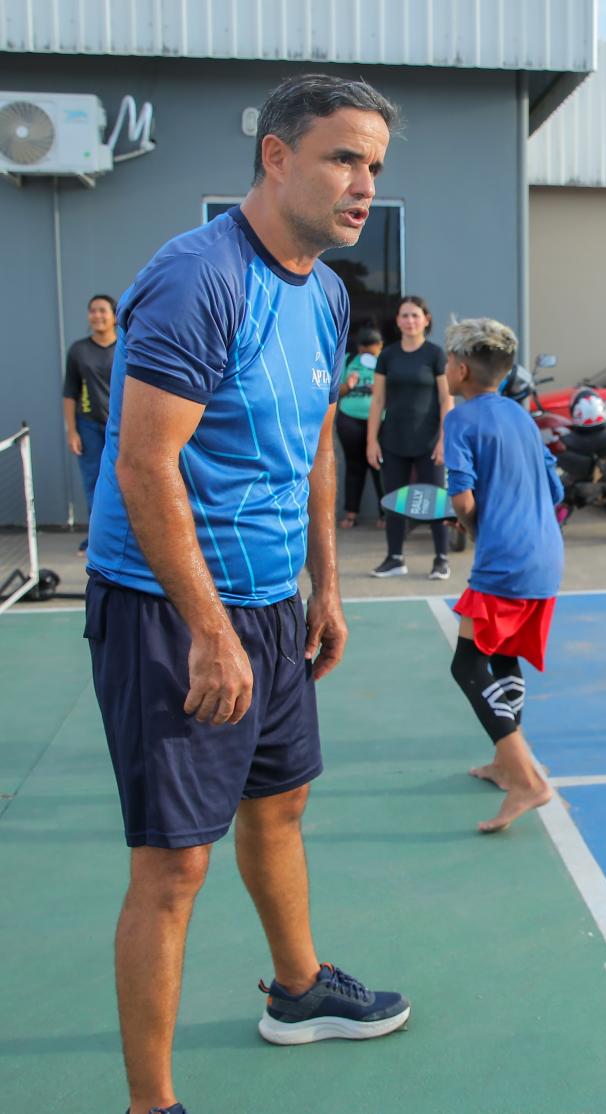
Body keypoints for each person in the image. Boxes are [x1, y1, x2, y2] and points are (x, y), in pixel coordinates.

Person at [82, 74, 410, 1114]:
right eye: (343, 158)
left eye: (374, 167)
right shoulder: (196, 278)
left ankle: (300, 988)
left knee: (282, 803)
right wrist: (209, 630)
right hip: (171, 609)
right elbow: (144, 467)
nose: (362, 184)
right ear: (276, 157)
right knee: (176, 865)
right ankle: (153, 1104)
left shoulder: (325, 290)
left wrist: (324, 581)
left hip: (271, 602)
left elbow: (315, 436)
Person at [440, 317, 564, 833]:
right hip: (546, 555)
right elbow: (555, 493)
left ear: (462, 369)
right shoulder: (521, 415)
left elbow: (463, 500)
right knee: (503, 653)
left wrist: (471, 524)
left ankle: (526, 780)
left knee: (467, 667)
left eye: (447, 360)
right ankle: (503, 761)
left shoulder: (459, 420)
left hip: (505, 560)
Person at [366, 295, 452, 578]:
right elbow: (377, 400)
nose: (410, 320)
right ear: (398, 321)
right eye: (404, 315)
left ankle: (441, 559)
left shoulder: (436, 355)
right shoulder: (388, 356)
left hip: (429, 443)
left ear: (426, 319)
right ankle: (395, 558)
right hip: (393, 441)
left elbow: (445, 400)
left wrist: (443, 440)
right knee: (394, 501)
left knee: (436, 501)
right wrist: (371, 440)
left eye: (415, 315)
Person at [62, 293, 118, 554]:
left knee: (123, 481)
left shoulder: (126, 347)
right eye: (93, 310)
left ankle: (121, 539)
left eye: (103, 310)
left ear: (114, 316)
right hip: (89, 427)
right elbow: (70, 391)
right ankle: (96, 540)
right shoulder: (78, 350)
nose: (97, 315)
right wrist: (72, 430)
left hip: (120, 426)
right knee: (93, 484)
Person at [336, 326, 384, 528]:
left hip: (380, 420)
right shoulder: (347, 360)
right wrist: (348, 385)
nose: (367, 356)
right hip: (350, 420)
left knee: (380, 467)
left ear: (380, 347)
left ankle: (385, 514)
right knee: (354, 467)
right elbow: (335, 392)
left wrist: (381, 388)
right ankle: (351, 514)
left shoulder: (386, 361)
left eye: (372, 352)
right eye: (363, 351)